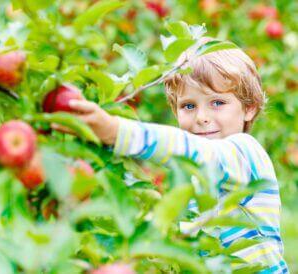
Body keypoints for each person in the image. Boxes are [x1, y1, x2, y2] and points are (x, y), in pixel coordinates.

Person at [53, 37, 288, 273]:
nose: (201, 117)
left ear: (249, 108)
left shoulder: (245, 153)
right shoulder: (192, 182)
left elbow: (197, 152)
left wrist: (117, 132)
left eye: (217, 102)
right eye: (188, 106)